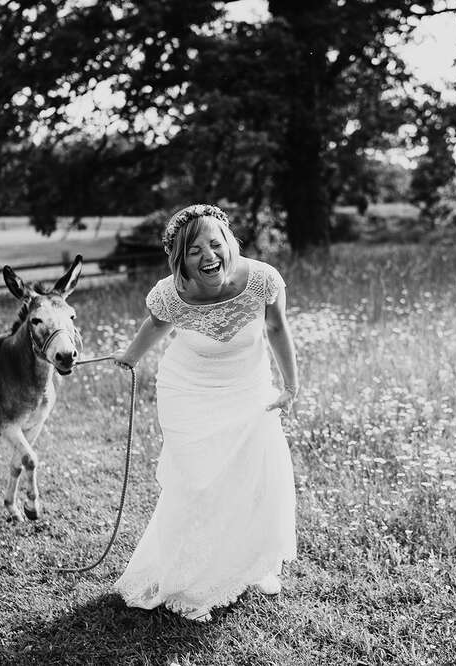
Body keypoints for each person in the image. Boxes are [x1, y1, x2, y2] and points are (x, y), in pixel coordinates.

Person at [112, 204, 300, 622]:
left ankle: (239, 566)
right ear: (180, 259)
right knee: (197, 483)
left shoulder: (263, 281)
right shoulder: (170, 293)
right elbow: (156, 326)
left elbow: (276, 329)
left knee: (248, 478)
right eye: (194, 250)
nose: (208, 255)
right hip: (188, 389)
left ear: (230, 244)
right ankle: (188, 574)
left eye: (215, 244)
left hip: (247, 388)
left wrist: (290, 385)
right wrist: (130, 357)